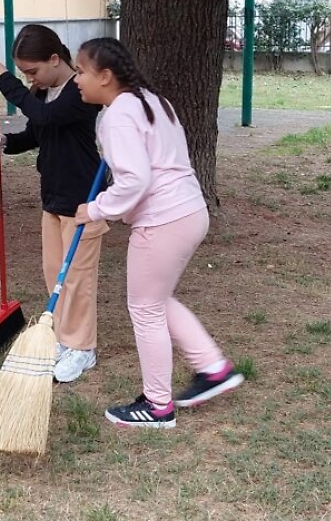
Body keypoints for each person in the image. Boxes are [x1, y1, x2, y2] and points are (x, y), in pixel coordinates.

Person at [72, 37, 244, 428]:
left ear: (106, 76)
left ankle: (157, 406)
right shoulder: (152, 101)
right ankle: (213, 368)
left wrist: (95, 209)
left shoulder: (116, 115)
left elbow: (135, 179)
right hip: (190, 212)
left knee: (145, 309)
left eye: (80, 72)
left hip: (163, 220)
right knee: (157, 300)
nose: (77, 80)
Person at [0, 24, 107, 383]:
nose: (30, 79)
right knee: (55, 274)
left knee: (78, 278)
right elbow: (38, 133)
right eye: (24, 74)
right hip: (52, 196)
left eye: (33, 71)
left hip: (83, 199)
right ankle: (64, 339)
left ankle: (83, 349)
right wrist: (6, 142)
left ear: (56, 58)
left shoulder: (80, 92)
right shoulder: (45, 92)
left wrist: (7, 82)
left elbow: (49, 118)